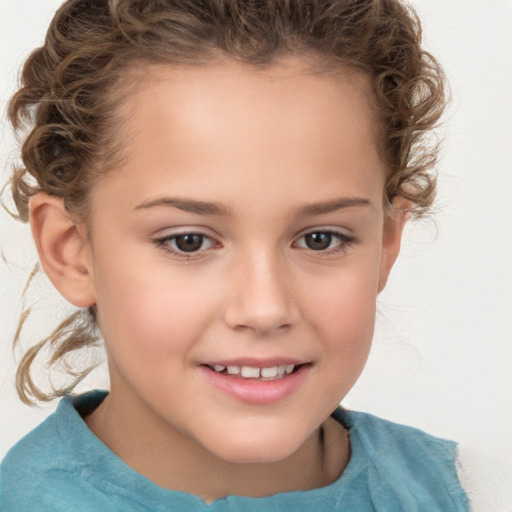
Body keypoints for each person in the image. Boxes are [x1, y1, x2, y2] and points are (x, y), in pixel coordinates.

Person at [0, 0, 472, 510]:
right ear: (70, 250)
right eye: (188, 241)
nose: (265, 309)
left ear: (385, 244)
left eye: (321, 239)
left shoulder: (476, 492)